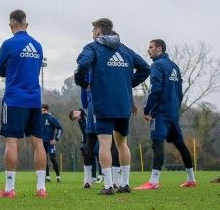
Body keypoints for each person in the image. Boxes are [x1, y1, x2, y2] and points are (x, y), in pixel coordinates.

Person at [74, 18, 150, 195]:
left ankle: (108, 186)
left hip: (103, 104)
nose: (92, 35)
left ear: (99, 31)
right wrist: (128, 83)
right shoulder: (125, 50)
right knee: (122, 144)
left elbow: (83, 64)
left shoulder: (92, 48)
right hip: (123, 105)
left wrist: (83, 83)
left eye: (93, 31)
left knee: (104, 144)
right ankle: (125, 184)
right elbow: (146, 68)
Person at [0, 9, 47, 198]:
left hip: (14, 99)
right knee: (38, 142)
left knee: (12, 141)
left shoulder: (8, 44)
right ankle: (41, 188)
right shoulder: (38, 46)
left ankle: (9, 189)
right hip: (34, 100)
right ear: (26, 24)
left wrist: (11, 69)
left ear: (11, 25)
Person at [135, 39, 196, 190]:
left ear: (159, 49)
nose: (148, 50)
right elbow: (180, 93)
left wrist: (148, 109)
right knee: (180, 145)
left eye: (150, 47)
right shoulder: (174, 67)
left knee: (157, 143)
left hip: (161, 113)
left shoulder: (157, 65)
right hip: (173, 113)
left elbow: (155, 89)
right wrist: (175, 107)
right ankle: (191, 179)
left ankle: (154, 182)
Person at [41, 104, 63, 183]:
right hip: (41, 143)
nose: (42, 112)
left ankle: (58, 176)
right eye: (41, 110)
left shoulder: (51, 118)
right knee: (44, 159)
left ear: (47, 110)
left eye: (44, 110)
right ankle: (47, 177)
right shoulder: (39, 118)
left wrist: (56, 139)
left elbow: (60, 128)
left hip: (50, 143)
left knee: (52, 158)